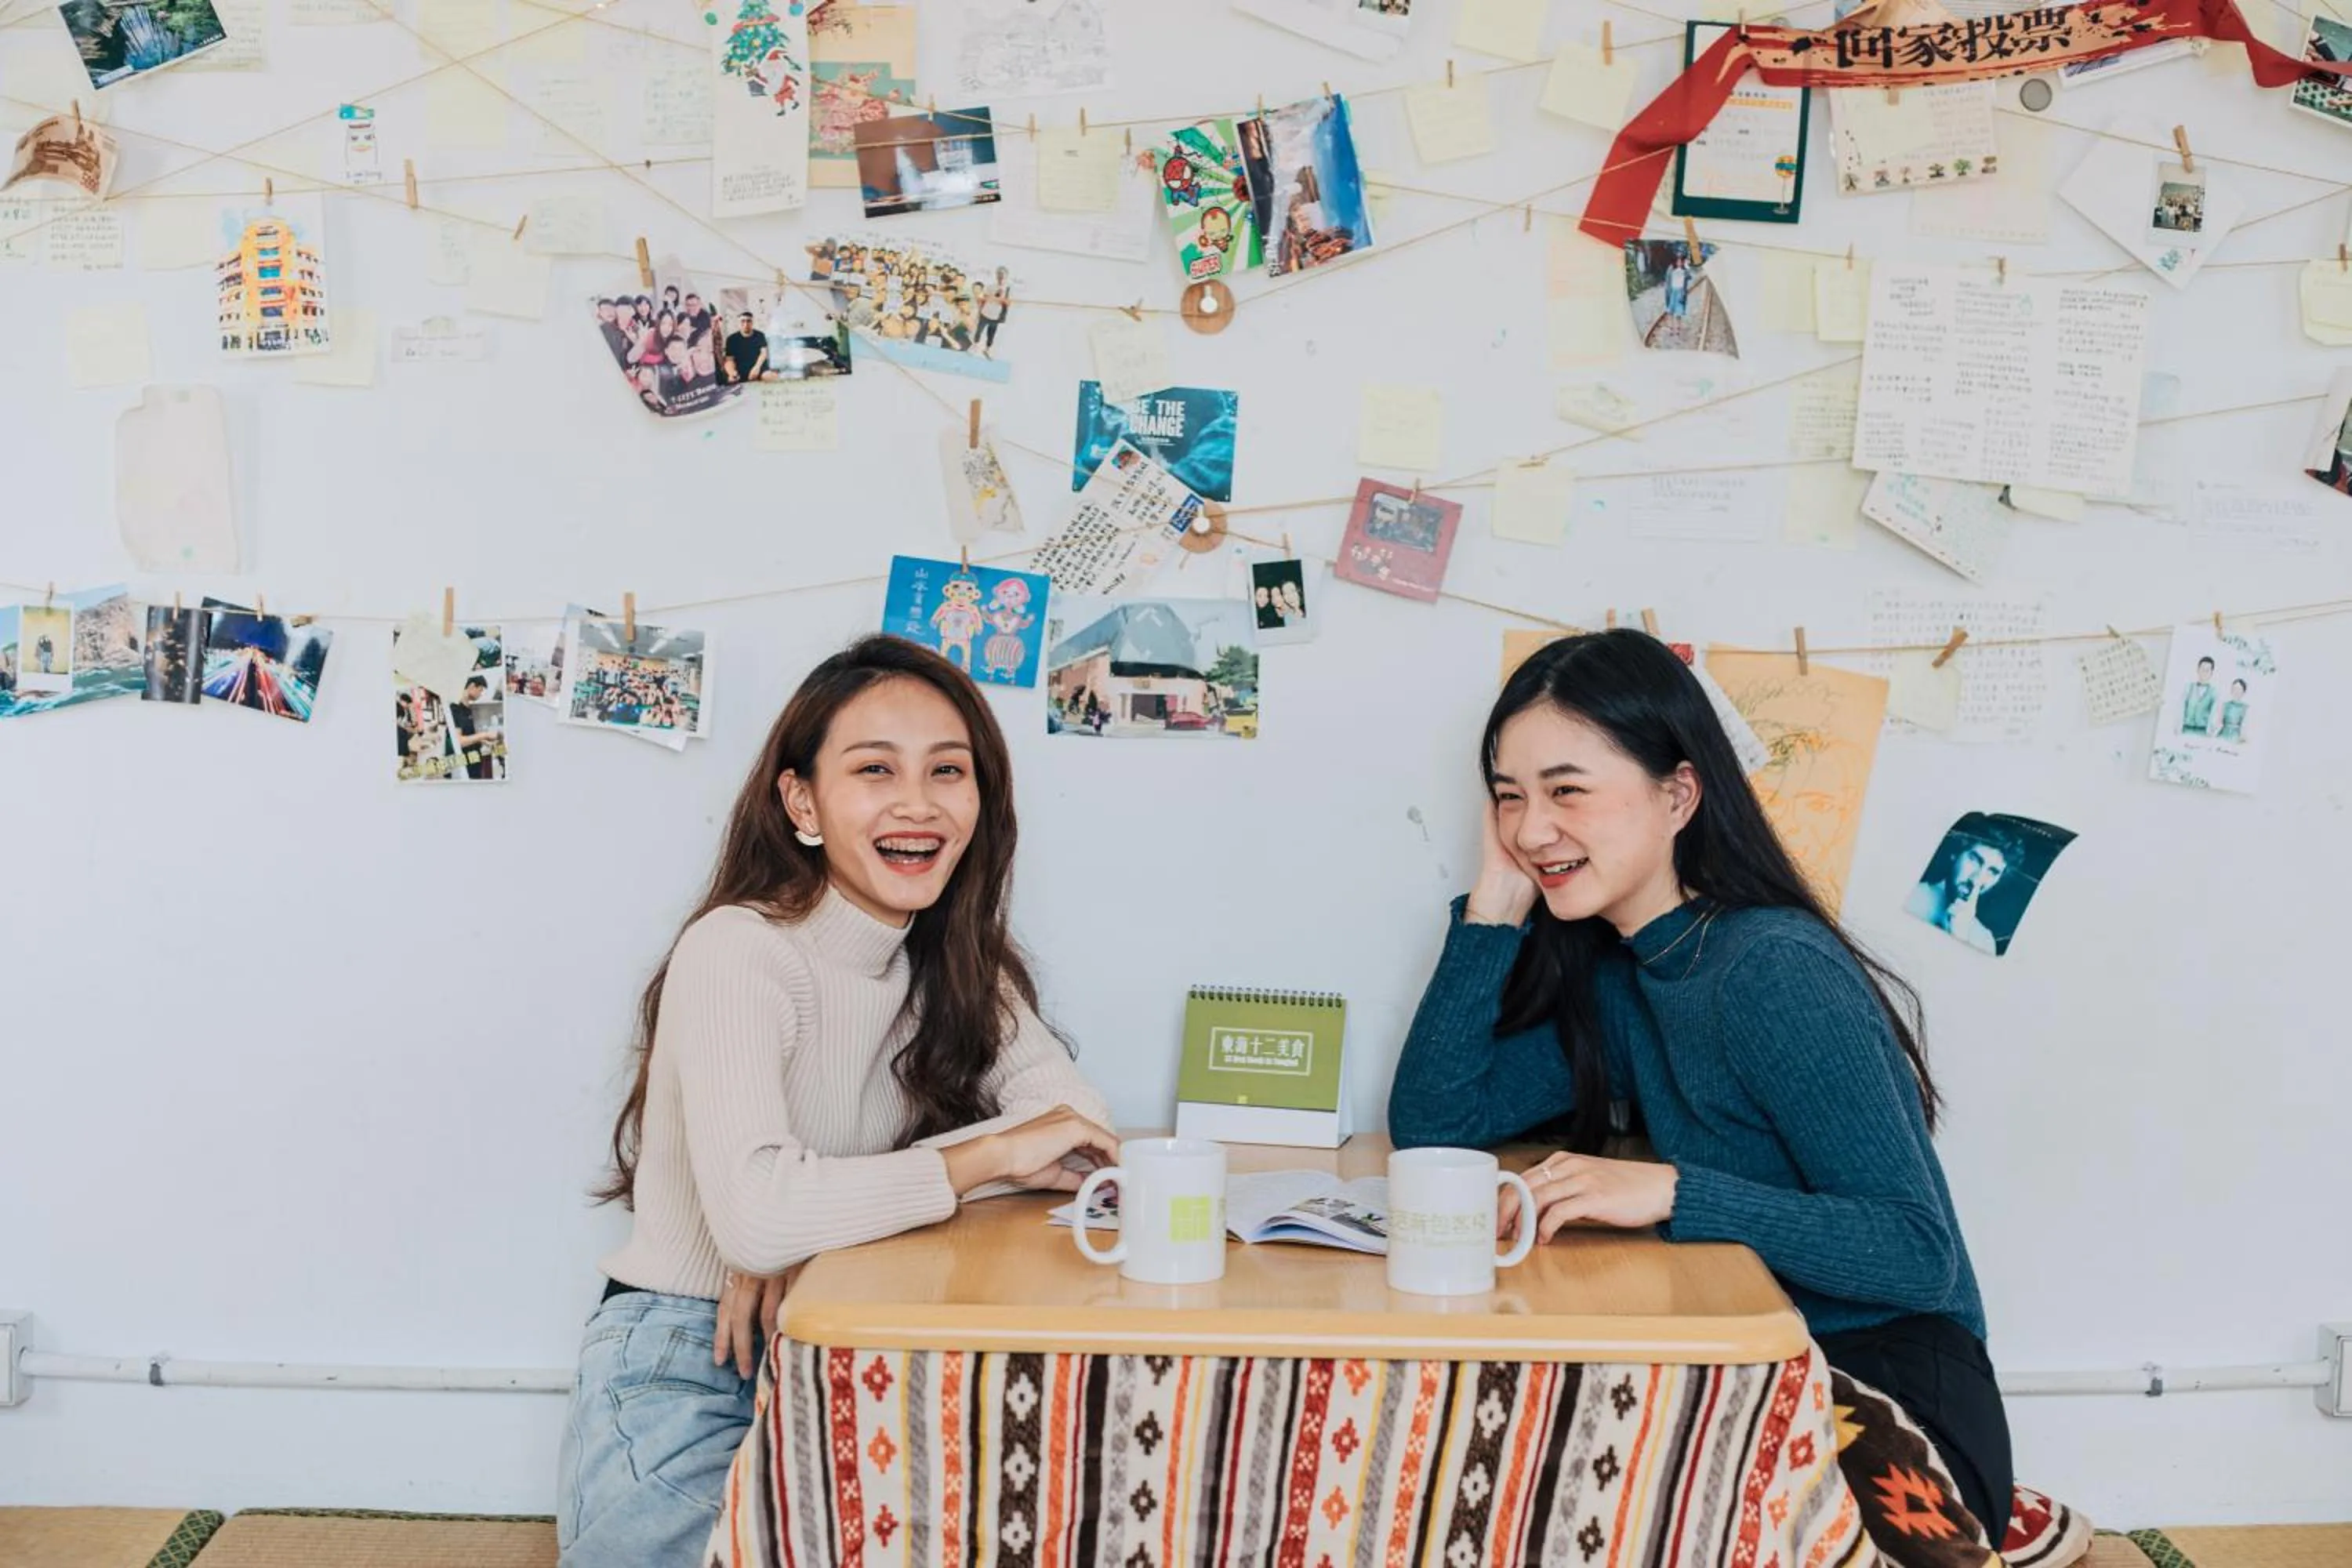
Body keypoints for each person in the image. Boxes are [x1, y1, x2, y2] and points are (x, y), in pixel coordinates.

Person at [1386, 630, 2013, 1537]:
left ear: (1678, 792)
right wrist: (1492, 908)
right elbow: (1435, 1127)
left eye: (1567, 790)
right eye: (1508, 797)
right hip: (1752, 1369)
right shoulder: (1626, 969)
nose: (1530, 829)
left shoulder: (1771, 970)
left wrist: (1673, 1191)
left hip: (1890, 1403)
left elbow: (1916, 1252)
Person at [557, 637, 1116, 1568]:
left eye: (949, 770)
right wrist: (973, 1161)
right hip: (690, 1355)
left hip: (855, 1330)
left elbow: (1073, 1133)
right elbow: (757, 1219)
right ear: (802, 803)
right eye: (874, 769)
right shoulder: (740, 949)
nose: (918, 801)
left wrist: (815, 1227)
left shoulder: (956, 967)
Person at [1904, 833, 2008, 956]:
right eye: (1975, 860)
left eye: (1992, 872)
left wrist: (1959, 936)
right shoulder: (1909, 896)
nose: (1976, 880)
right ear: (1956, 853)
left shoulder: (1986, 940)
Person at [723, 312, 770, 383]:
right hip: (740, 371)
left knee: (769, 377)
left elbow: (764, 353)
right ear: (738, 323)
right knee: (731, 380)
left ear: (752, 323)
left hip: (759, 368)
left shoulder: (760, 335)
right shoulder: (731, 339)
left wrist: (757, 368)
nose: (746, 324)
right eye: (743, 321)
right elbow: (729, 360)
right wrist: (732, 373)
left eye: (748, 321)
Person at [2180, 655, 2217, 735]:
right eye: (2202, 669)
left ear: (2211, 673)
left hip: (2202, 731)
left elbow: (2213, 714)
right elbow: (2181, 708)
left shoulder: (2213, 692)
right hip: (2186, 729)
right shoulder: (2189, 688)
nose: (2204, 672)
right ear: (2198, 670)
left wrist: (2210, 732)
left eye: (2207, 670)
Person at [2218, 677, 2249, 742]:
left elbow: (2245, 727)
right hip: (2223, 734)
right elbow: (2219, 722)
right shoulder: (2225, 705)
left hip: (2236, 736)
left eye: (2239, 689)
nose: (2236, 691)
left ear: (2243, 692)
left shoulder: (2245, 708)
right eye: (2234, 689)